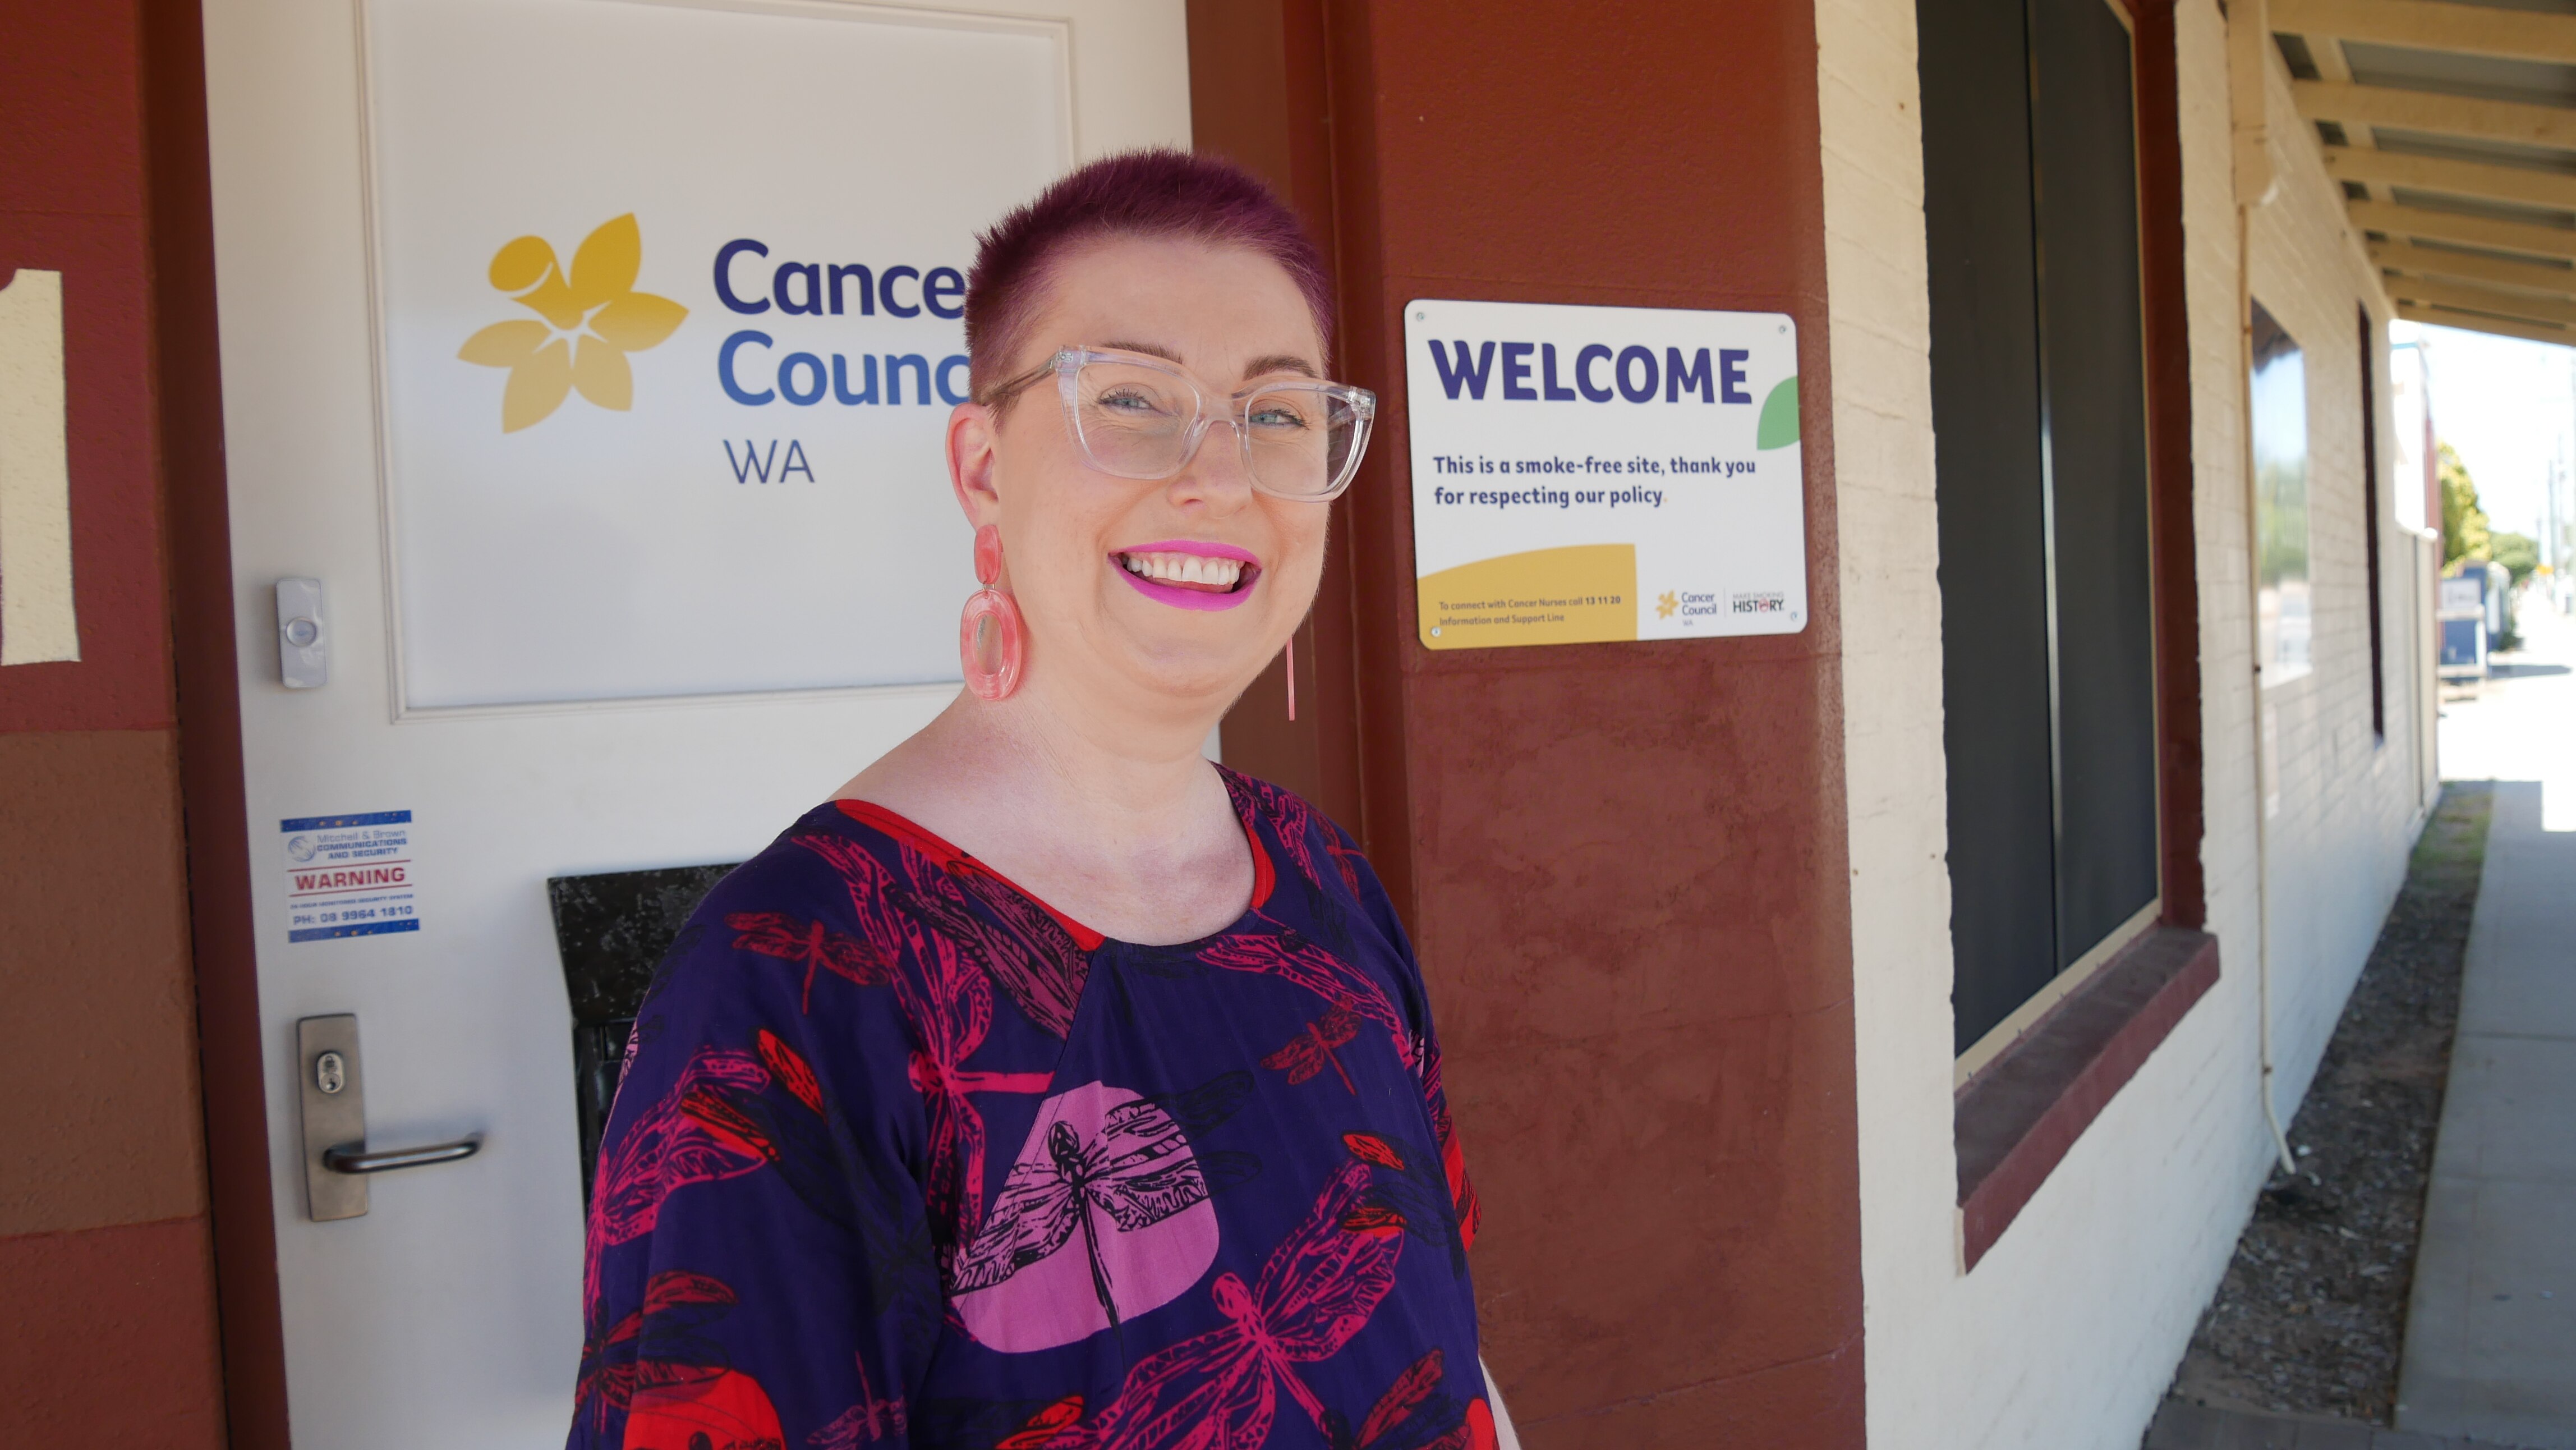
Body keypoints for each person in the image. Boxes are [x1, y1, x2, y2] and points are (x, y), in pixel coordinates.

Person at [570, 150, 1498, 1450]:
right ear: (982, 466)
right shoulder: (795, 978)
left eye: (1278, 413)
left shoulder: (1322, 880)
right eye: (1130, 398)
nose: (1220, 477)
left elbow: (1450, 1346)